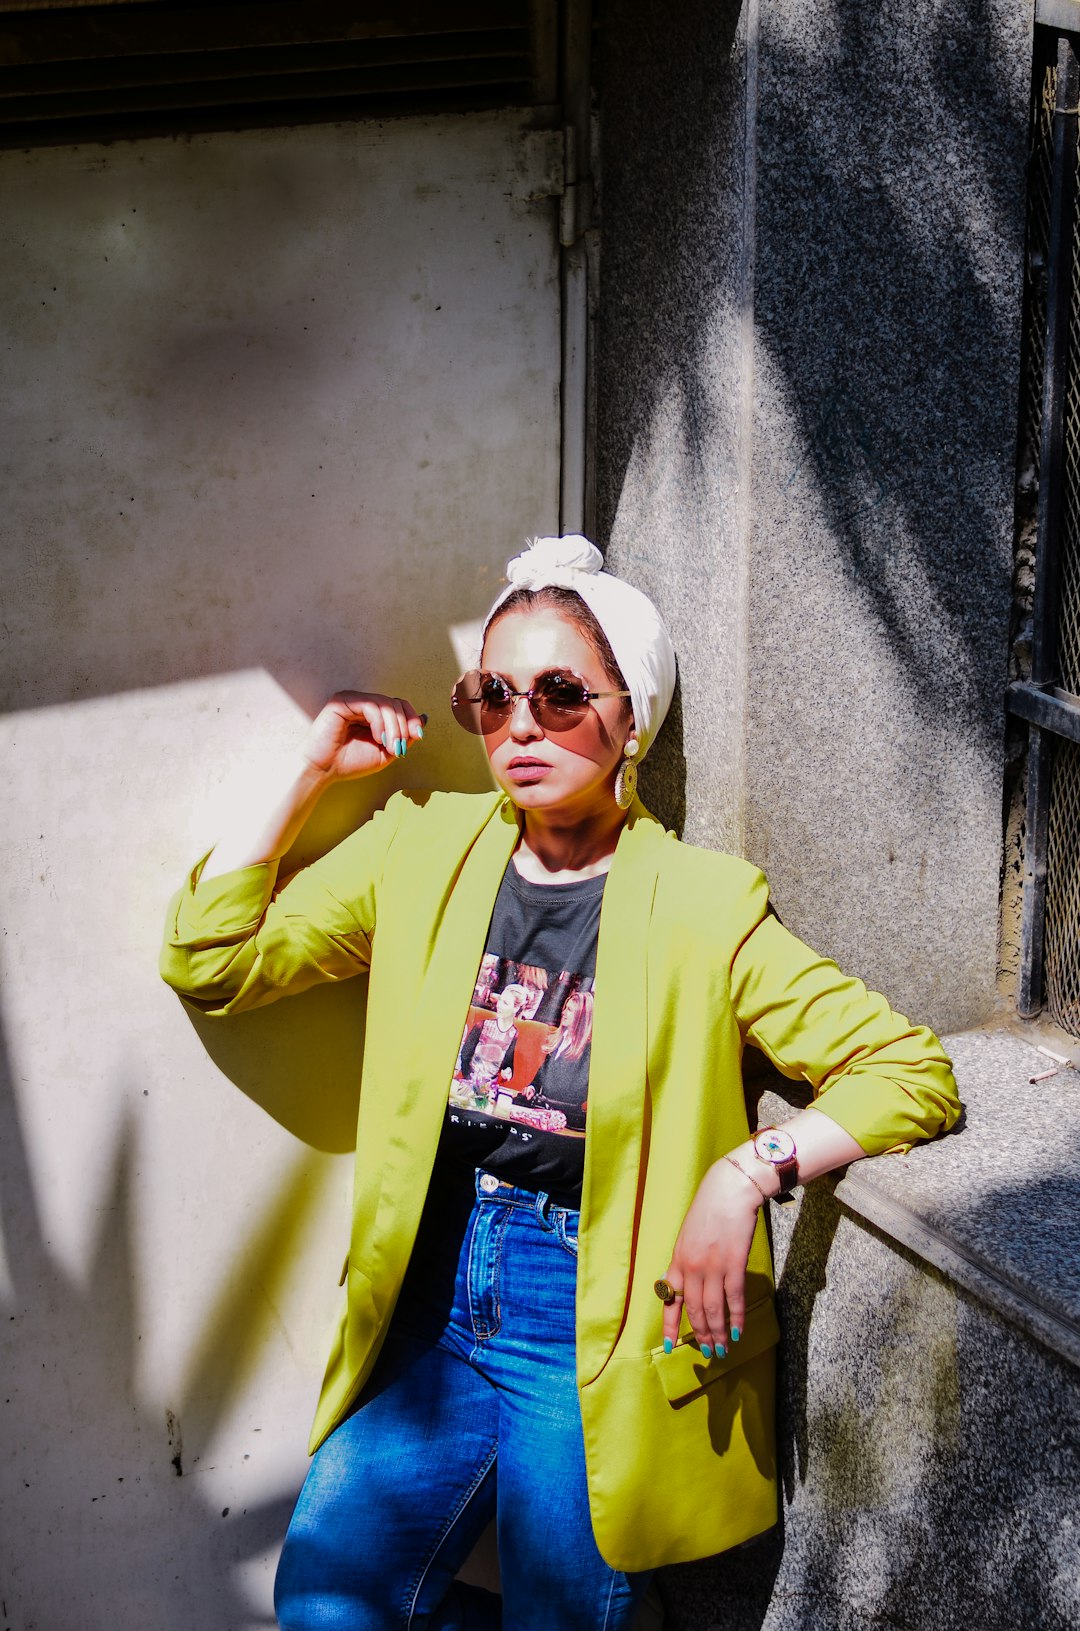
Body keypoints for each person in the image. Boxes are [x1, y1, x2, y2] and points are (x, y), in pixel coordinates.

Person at [160, 534, 960, 1630]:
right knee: (324, 1601)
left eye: (559, 692)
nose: (521, 724)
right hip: (432, 1298)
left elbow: (909, 1071)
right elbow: (213, 960)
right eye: (491, 695)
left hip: (595, 1312)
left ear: (632, 714)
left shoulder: (702, 906)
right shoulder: (422, 851)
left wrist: (745, 1173)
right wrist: (310, 769)